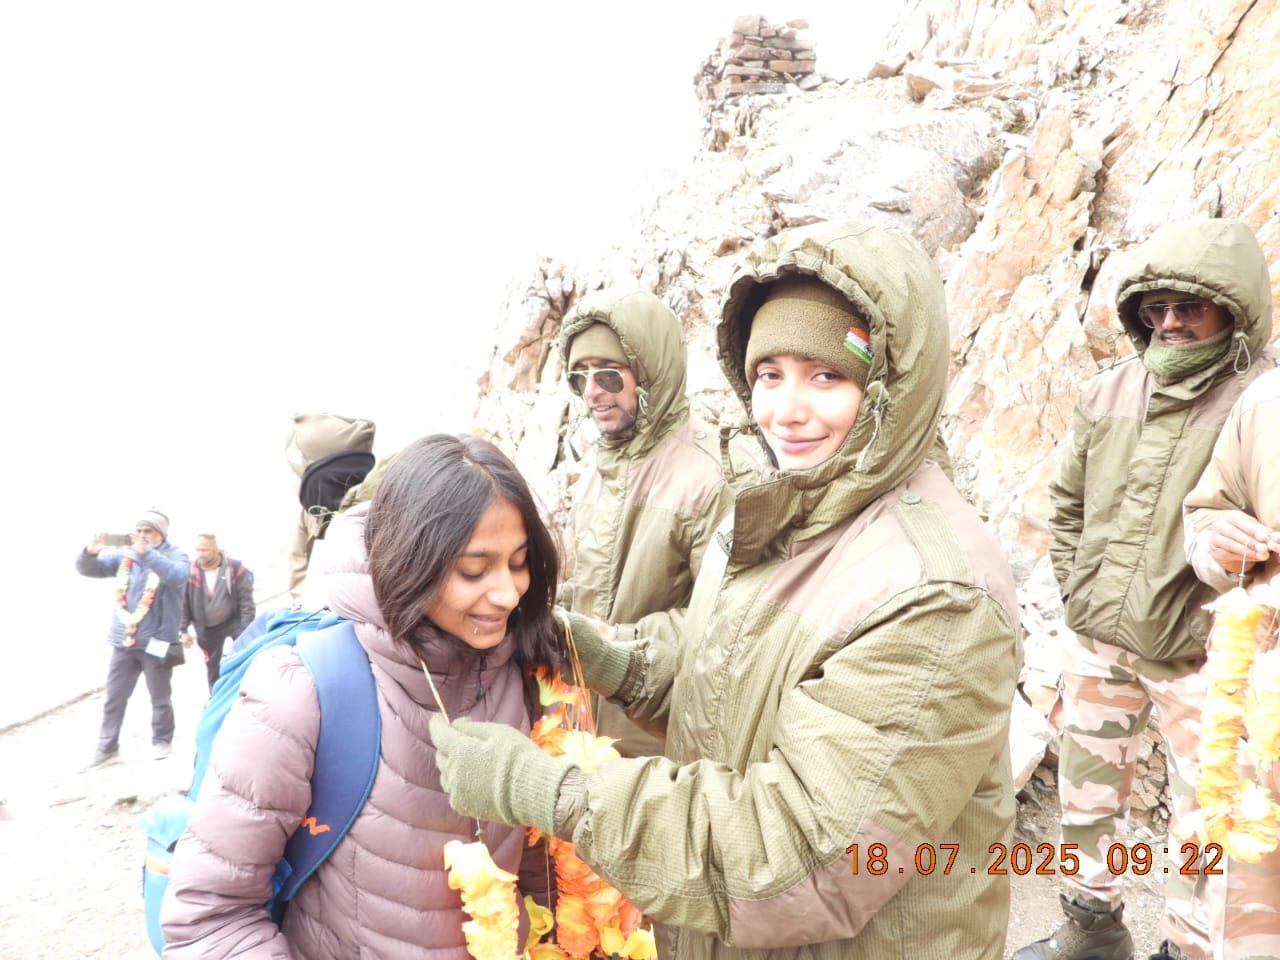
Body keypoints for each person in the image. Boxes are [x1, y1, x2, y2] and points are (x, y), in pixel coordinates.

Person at [431, 220, 1022, 958]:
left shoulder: (934, 593)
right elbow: (727, 661)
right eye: (769, 374)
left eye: (827, 376)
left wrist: (550, 792)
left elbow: (804, 858)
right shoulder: (788, 506)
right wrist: (613, 658)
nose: (787, 410)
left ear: (890, 389)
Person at [161, 434, 561, 960]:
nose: (508, 593)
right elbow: (210, 921)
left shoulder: (523, 669)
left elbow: (539, 867)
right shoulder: (305, 690)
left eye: (519, 562)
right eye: (473, 570)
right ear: (410, 560)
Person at [1015, 218, 1279, 960]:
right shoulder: (1110, 390)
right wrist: (1081, 592)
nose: (1169, 323)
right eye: (1155, 308)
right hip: (1098, 639)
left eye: (1189, 307)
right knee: (1087, 798)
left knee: (1204, 818)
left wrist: (1220, 634)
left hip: (1200, 659)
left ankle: (1185, 949)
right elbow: (1067, 504)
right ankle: (1090, 929)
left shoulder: (1260, 403)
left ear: (1236, 309)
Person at [559, 288, 734, 757]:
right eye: (579, 377)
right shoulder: (595, 474)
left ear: (651, 373)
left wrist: (615, 647)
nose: (592, 392)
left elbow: (729, 623)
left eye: (608, 374)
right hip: (588, 739)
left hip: (662, 750)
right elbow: (594, 590)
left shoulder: (712, 478)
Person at [1182, 365, 1280, 960]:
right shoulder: (1267, 400)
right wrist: (1220, 545)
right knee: (1246, 930)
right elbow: (1205, 515)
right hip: (1261, 725)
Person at [76, 509, 189, 766]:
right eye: (138, 530)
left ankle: (162, 740)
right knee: (114, 698)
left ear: (161, 534)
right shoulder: (126, 556)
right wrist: (90, 552)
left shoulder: (177, 555)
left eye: (148, 531)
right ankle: (107, 749)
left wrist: (146, 553)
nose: (142, 535)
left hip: (158, 640)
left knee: (160, 697)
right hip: (124, 639)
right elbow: (89, 569)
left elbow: (177, 577)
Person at [285, 411, 376, 603]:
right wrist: (305, 604)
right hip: (323, 606)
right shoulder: (310, 514)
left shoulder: (373, 504)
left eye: (298, 474)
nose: (294, 484)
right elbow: (298, 568)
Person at [180, 534, 257, 690]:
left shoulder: (234, 568)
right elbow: (184, 602)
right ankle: (215, 695)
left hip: (233, 621)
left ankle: (250, 688)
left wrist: (247, 627)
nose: (200, 554)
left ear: (215, 549)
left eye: (204, 550)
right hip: (207, 628)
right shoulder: (190, 572)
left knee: (246, 655)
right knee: (212, 666)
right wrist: (183, 630)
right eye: (198, 550)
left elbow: (246, 599)